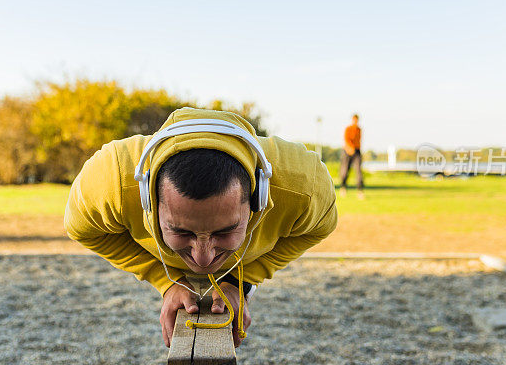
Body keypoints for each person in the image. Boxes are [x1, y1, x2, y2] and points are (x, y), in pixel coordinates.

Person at [64, 107, 337, 348]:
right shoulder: (108, 181)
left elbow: (319, 228)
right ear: (147, 198)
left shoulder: (305, 187)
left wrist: (240, 282)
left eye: (224, 231)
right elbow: (83, 230)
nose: (202, 259)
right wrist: (165, 280)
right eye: (182, 232)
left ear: (259, 198)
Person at [340, 114, 364, 198]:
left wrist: (355, 149)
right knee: (345, 170)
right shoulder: (348, 129)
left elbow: (358, 140)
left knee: (358, 171)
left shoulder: (359, 129)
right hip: (347, 151)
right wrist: (349, 148)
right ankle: (343, 187)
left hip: (356, 151)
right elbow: (346, 139)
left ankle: (360, 190)